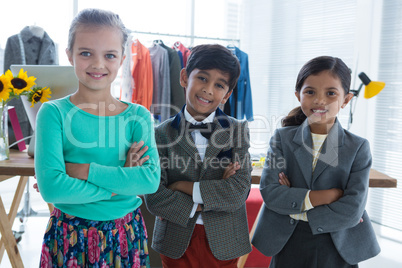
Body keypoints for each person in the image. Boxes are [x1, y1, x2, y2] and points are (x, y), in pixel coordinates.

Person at [34, 8, 160, 267]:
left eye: (110, 55)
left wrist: (82, 170)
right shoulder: (53, 113)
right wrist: (122, 179)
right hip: (69, 237)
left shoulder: (138, 116)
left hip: (125, 236)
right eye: (86, 53)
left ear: (122, 58)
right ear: (70, 55)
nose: (98, 64)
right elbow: (52, 188)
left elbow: (148, 181)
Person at [251, 56, 381, 267]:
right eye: (310, 92)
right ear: (298, 95)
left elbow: (352, 210)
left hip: (337, 244)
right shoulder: (282, 138)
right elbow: (271, 192)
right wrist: (328, 196)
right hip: (288, 241)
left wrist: (297, 204)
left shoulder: (357, 147)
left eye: (331, 93)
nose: (320, 100)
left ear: (346, 100)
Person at [144, 44, 252, 267]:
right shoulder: (159, 134)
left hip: (225, 239)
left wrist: (181, 185)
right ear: (184, 77)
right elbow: (154, 196)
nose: (208, 89)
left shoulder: (237, 130)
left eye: (219, 85)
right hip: (176, 239)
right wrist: (209, 198)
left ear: (227, 94)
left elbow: (238, 191)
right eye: (202, 78)